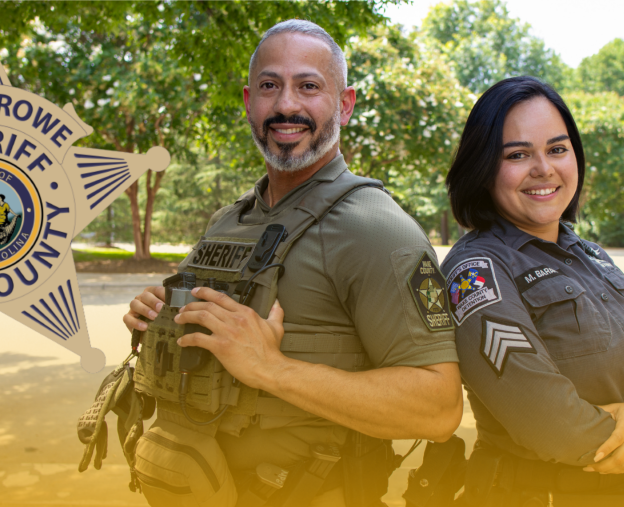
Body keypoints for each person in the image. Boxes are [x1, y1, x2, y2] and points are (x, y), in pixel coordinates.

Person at [115, 19, 462, 507]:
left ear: (344, 104)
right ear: (248, 101)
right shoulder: (228, 221)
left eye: (309, 86)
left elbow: (439, 407)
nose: (285, 105)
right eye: (269, 86)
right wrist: (157, 315)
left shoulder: (377, 231)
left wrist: (272, 369)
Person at [436, 76, 624, 507]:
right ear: (483, 169)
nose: (544, 168)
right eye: (518, 154)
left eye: (557, 149)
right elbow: (545, 417)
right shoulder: (474, 272)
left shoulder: (586, 253)